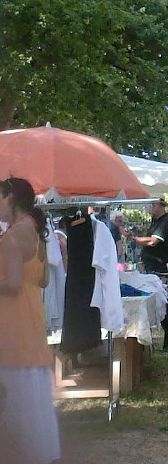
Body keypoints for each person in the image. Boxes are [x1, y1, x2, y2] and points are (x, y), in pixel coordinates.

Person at [0, 177, 61, 464]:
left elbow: (11, 284)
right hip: (32, 321)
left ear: (10, 198)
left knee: (15, 407)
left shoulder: (13, 236)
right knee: (33, 407)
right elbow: (45, 279)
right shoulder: (37, 233)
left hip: (13, 326)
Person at [130, 198, 168, 352]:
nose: (149, 208)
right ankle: (162, 340)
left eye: (151, 205)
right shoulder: (155, 221)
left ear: (158, 206)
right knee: (156, 301)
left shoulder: (166, 222)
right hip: (151, 264)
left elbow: (152, 242)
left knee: (163, 302)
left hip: (157, 266)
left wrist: (135, 239)